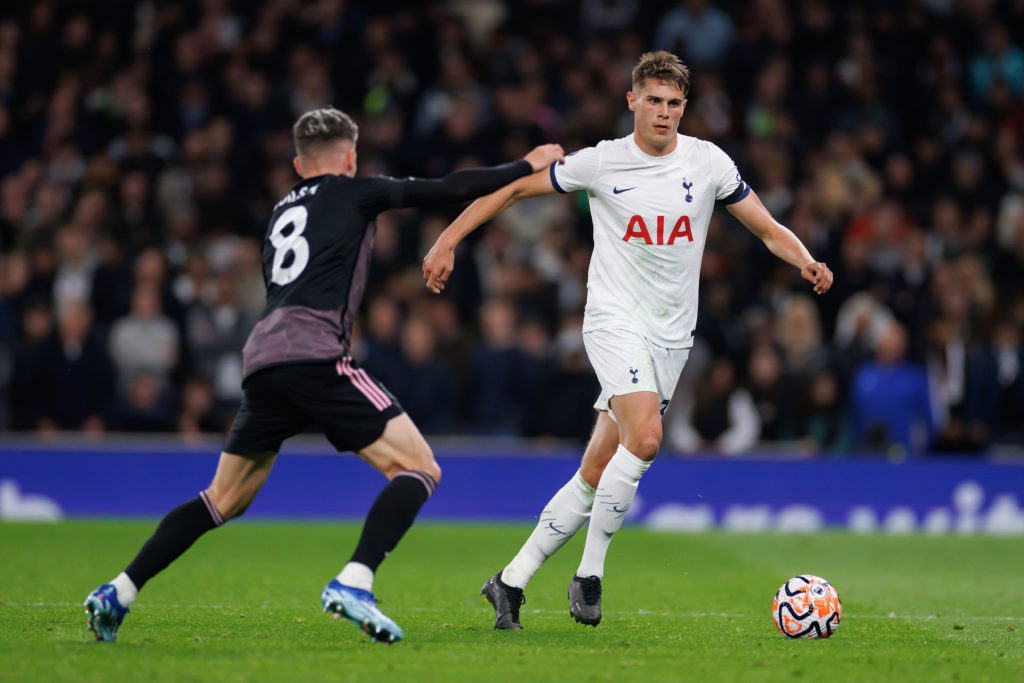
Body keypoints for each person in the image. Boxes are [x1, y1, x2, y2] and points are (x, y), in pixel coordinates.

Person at [83, 107, 564, 644]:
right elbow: (447, 187)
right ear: (350, 157)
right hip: (315, 355)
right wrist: (524, 164)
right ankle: (354, 581)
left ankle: (118, 591)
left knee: (223, 499)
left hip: (263, 360)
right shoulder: (353, 192)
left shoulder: (279, 213)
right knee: (419, 467)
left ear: (297, 162)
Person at [422, 51, 833, 629]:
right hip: (613, 321)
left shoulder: (709, 162)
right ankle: (589, 575)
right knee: (644, 440)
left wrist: (806, 259)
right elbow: (514, 190)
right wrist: (448, 238)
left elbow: (765, 228)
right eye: (654, 101)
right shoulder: (601, 163)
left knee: (596, 471)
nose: (663, 113)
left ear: (684, 108)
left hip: (672, 337)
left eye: (674, 104)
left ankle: (509, 582)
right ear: (632, 101)